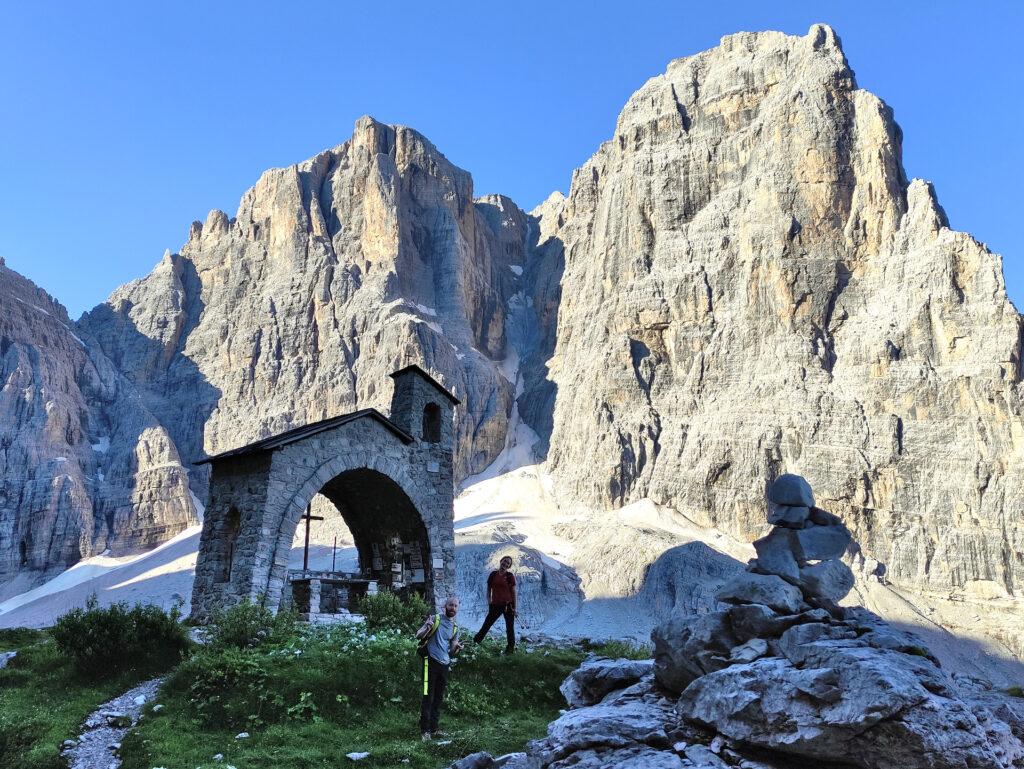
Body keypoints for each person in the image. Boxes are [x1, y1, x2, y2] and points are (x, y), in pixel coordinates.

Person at [415, 595, 464, 741]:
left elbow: (451, 650)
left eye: (455, 606)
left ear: (458, 608)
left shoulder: (455, 627)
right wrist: (427, 628)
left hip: (444, 665)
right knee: (428, 697)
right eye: (450, 605)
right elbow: (418, 635)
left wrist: (457, 648)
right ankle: (425, 731)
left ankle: (434, 729)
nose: (452, 608)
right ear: (445, 606)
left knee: (438, 698)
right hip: (430, 662)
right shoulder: (435, 619)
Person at [473, 555, 517, 654]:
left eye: (508, 563)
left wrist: (515, 608)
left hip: (508, 605)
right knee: (487, 624)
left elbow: (513, 592)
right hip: (495, 605)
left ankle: (510, 650)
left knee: (510, 628)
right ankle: (476, 642)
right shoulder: (493, 574)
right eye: (504, 561)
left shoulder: (510, 576)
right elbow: (489, 589)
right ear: (501, 561)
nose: (505, 564)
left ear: (509, 566)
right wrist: (489, 602)